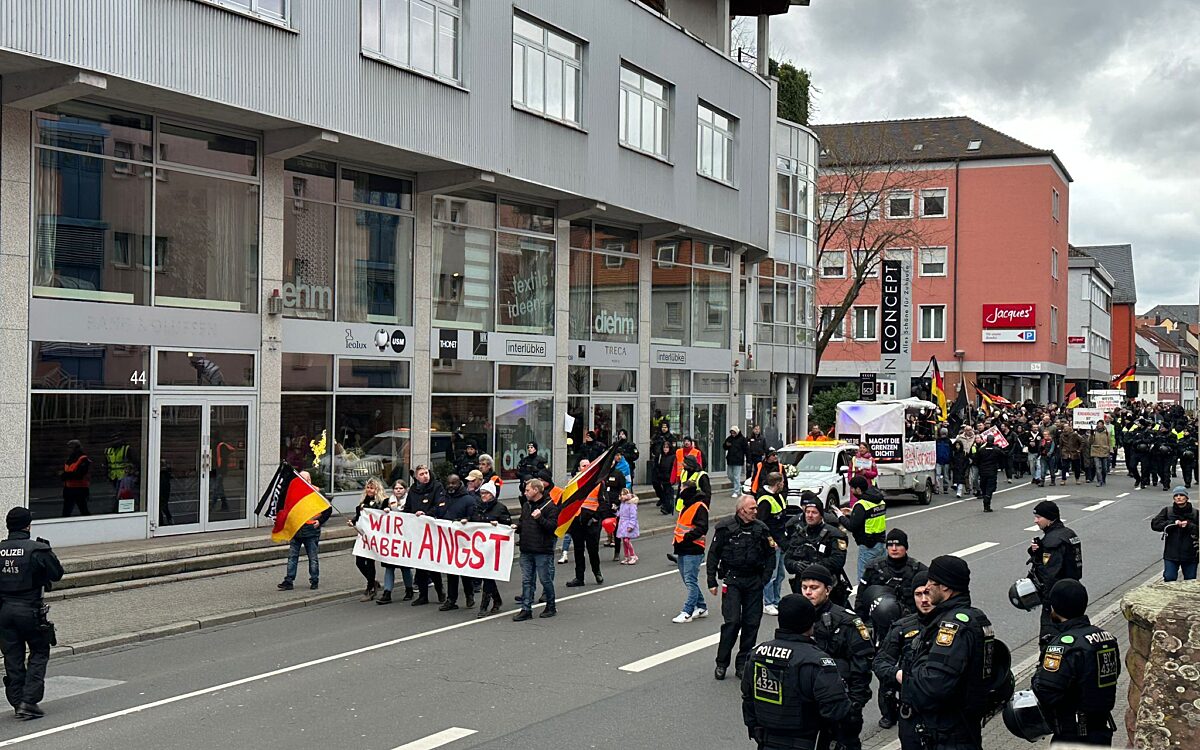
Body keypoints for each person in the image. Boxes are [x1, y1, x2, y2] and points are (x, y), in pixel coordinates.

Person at [901, 555, 999, 750]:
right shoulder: (976, 617)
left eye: (931, 582)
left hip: (947, 733)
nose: (927, 588)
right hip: (964, 727)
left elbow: (935, 685)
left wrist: (910, 672)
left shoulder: (952, 626)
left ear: (945, 587)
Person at [740, 594, 854, 750]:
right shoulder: (817, 661)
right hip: (807, 742)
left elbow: (748, 698)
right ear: (811, 623)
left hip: (766, 741)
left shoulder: (756, 654)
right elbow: (837, 711)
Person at [1030, 580, 1120, 747]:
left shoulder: (1064, 646)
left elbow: (1045, 691)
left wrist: (1038, 674)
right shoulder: (1105, 638)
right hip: (1100, 730)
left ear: (1055, 607)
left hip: (1073, 733)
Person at [799, 564, 875, 750]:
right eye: (804, 587)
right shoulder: (797, 616)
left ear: (828, 590)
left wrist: (854, 706)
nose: (808, 593)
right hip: (809, 704)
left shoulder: (847, 621)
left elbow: (862, 666)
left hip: (840, 703)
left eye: (814, 588)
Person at [0, 507, 64, 720]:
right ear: (28, 525)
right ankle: (29, 700)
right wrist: (49, 552)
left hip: (4, 612)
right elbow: (56, 575)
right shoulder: (37, 550)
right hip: (30, 611)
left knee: (13, 657)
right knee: (39, 651)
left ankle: (17, 701)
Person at [707, 495, 775, 680]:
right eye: (752, 508)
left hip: (754, 581)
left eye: (756, 508)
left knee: (752, 624)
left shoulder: (761, 529)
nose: (755, 511)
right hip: (733, 580)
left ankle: (742, 663)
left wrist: (765, 579)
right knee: (732, 622)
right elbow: (714, 554)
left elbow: (771, 556)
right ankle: (722, 663)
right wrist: (711, 580)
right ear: (741, 510)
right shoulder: (725, 528)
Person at [873, 571, 934, 741]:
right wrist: (898, 674)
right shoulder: (902, 627)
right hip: (912, 705)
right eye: (918, 594)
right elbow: (880, 662)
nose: (924, 599)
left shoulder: (951, 623)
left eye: (927, 593)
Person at [1028, 500, 1083, 650]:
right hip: (1074, 592)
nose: (1035, 521)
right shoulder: (1069, 534)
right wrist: (1038, 551)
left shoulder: (1053, 541)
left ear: (1050, 518)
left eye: (1039, 517)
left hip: (1057, 599)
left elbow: (1050, 574)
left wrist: (1046, 599)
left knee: (1050, 640)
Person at [783, 494, 849, 602]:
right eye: (807, 512)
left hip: (827, 588)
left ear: (821, 515)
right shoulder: (799, 534)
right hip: (803, 588)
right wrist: (796, 565)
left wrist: (815, 567)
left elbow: (838, 561)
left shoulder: (834, 534)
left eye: (814, 512)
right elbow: (787, 560)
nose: (810, 515)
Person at [854, 528, 928, 621]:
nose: (894, 548)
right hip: (881, 620)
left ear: (906, 547)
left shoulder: (919, 570)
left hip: (911, 620)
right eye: (890, 545)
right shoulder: (874, 568)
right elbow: (861, 597)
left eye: (898, 545)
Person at [278, 470, 332, 592]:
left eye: (303, 480)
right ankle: (289, 581)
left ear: (309, 480)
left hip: (311, 530)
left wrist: (320, 521)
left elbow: (328, 510)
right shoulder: (294, 493)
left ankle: (314, 580)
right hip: (296, 530)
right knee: (292, 557)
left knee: (312, 557)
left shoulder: (317, 493)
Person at [513, 479, 559, 621]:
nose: (525, 492)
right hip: (527, 548)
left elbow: (552, 528)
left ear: (536, 490)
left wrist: (540, 518)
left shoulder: (550, 506)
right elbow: (523, 522)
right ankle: (526, 608)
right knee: (527, 580)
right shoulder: (527, 505)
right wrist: (516, 528)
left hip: (542, 550)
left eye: (528, 490)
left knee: (545, 580)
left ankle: (551, 605)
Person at [434, 474, 479, 611]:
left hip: (463, 541)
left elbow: (474, 518)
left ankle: (469, 595)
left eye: (454, 483)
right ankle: (451, 599)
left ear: (459, 483)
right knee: (451, 572)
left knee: (464, 571)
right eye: (449, 483)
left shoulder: (468, 500)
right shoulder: (442, 498)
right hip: (448, 541)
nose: (451, 486)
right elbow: (438, 513)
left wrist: (467, 519)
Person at [670, 475, 710, 623]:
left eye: (682, 488)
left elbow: (702, 528)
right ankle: (702, 606)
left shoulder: (699, 506)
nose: (680, 490)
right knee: (688, 580)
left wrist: (687, 538)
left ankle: (687, 611)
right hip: (682, 547)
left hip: (693, 549)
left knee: (690, 580)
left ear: (688, 490)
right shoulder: (687, 504)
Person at [405, 465, 446, 606]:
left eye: (426, 473)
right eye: (421, 474)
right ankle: (423, 595)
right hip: (418, 532)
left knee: (432, 564)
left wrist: (426, 514)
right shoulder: (413, 490)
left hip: (431, 530)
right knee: (420, 565)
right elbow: (408, 508)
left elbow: (440, 506)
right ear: (416, 477)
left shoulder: (437, 487)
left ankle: (440, 591)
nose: (425, 476)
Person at [470, 481, 512, 617]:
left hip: (494, 548)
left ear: (492, 494)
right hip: (480, 547)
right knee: (485, 575)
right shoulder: (477, 507)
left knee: (487, 576)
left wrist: (499, 523)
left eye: (486, 493)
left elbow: (508, 524)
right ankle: (497, 600)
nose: (483, 496)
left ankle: (484, 606)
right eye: (482, 493)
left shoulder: (500, 508)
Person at [838, 475, 887, 581]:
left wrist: (840, 516)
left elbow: (852, 526)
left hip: (868, 546)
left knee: (864, 578)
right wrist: (852, 513)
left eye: (852, 488)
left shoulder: (861, 505)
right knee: (881, 575)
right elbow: (869, 516)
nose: (851, 491)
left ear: (858, 489)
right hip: (882, 543)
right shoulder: (880, 500)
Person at [375, 479, 414, 603]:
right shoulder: (387, 502)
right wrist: (384, 511)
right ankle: (387, 592)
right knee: (389, 566)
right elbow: (378, 516)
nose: (398, 491)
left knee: (405, 567)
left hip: (404, 539)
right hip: (391, 539)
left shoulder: (410, 501)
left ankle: (409, 589)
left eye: (401, 488)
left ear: (405, 489)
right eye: (396, 489)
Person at [755, 472, 789, 617]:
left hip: (781, 541)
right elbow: (762, 524)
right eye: (782, 482)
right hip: (772, 544)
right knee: (771, 574)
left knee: (780, 574)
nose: (783, 485)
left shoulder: (779, 496)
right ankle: (768, 603)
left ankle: (776, 600)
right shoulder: (764, 500)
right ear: (777, 483)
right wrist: (770, 541)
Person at [349, 478, 388, 601]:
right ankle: (373, 582)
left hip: (374, 537)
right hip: (363, 536)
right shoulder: (363, 501)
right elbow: (360, 517)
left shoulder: (383, 502)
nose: (369, 490)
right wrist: (353, 521)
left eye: (372, 488)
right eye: (368, 487)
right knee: (359, 562)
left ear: (377, 489)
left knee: (370, 562)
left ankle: (370, 588)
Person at [1151, 487, 1198, 581]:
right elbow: (1155, 525)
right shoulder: (1167, 511)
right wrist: (1172, 523)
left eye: (1181, 495)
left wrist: (1189, 525)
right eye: (1176, 495)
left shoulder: (1195, 513)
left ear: (1187, 498)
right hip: (1171, 554)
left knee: (1190, 581)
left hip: (1190, 554)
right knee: (1169, 578)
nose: (1178, 497)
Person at [60, 440, 91, 517]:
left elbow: (79, 474)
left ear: (76, 448)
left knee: (83, 509)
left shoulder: (83, 459)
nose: (68, 450)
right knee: (67, 511)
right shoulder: (70, 458)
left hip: (80, 488)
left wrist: (64, 475)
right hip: (69, 488)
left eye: (70, 447)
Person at [974, 435, 1002, 512]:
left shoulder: (981, 450)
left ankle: (985, 499)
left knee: (983, 486)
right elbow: (1003, 456)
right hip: (992, 471)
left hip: (983, 471)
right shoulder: (996, 450)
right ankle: (987, 500)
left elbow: (976, 460)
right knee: (990, 487)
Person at [615, 487, 640, 564]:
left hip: (628, 524)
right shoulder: (623, 504)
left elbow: (633, 516)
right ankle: (627, 557)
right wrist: (615, 511)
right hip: (622, 524)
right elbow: (620, 514)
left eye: (623, 494)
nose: (622, 496)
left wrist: (631, 526)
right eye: (621, 494)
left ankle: (633, 556)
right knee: (624, 541)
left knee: (626, 540)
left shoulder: (631, 504)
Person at [652, 440, 677, 515]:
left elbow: (673, 467)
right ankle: (665, 505)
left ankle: (667, 508)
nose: (665, 449)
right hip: (661, 477)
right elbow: (657, 466)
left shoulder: (673, 457)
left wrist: (671, 477)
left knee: (668, 493)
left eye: (667, 447)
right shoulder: (660, 456)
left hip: (668, 477)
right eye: (664, 447)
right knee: (664, 492)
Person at [724, 426, 749, 498]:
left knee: (736, 476)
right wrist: (726, 445)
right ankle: (739, 486)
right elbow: (724, 446)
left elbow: (746, 450)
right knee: (730, 475)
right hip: (730, 460)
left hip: (738, 460)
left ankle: (736, 491)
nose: (733, 434)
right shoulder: (729, 438)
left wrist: (748, 460)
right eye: (732, 432)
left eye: (734, 432)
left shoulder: (742, 439)